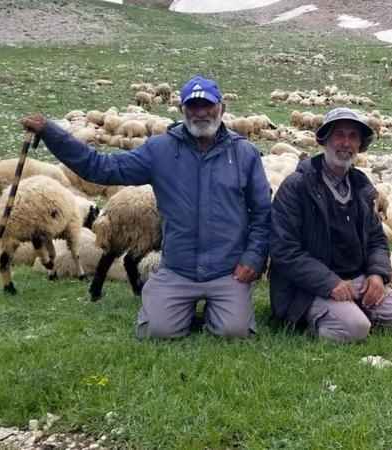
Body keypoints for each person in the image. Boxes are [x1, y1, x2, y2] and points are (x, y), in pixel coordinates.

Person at [20, 75, 271, 340]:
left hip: (226, 270)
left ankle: (220, 310)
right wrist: (51, 132)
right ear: (182, 110)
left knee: (234, 332)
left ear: (222, 107)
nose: (201, 113)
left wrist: (252, 258)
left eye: (207, 105)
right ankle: (175, 306)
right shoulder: (160, 150)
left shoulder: (244, 154)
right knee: (154, 331)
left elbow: (262, 212)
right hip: (178, 268)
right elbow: (101, 167)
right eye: (193, 106)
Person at [269, 107, 392, 343]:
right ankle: (320, 320)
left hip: (355, 278)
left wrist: (377, 275)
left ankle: (351, 311)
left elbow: (377, 238)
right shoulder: (297, 186)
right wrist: (330, 282)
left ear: (360, 145)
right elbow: (284, 250)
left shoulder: (360, 186)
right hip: (308, 286)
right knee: (355, 328)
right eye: (339, 135)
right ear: (324, 140)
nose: (345, 143)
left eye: (353, 136)